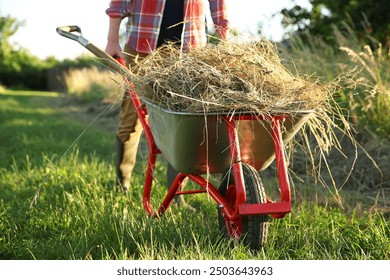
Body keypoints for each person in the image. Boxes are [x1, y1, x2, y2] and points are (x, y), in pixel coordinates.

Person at [105, 0, 230, 193]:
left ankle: (176, 192)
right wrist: (112, 39)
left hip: (188, 50)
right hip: (142, 46)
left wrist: (224, 40)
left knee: (182, 123)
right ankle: (122, 186)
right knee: (132, 117)